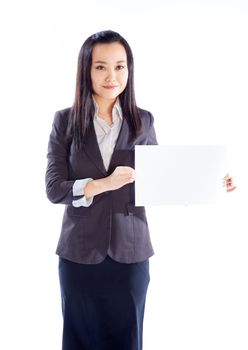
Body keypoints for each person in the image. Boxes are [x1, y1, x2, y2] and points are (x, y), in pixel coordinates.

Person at [45, 30, 236, 350]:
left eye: (120, 66)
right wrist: (105, 184)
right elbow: (53, 189)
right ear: (86, 70)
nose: (112, 76)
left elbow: (163, 179)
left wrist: (211, 180)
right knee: (78, 341)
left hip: (130, 253)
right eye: (101, 67)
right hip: (79, 254)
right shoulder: (65, 121)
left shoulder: (142, 121)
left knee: (128, 341)